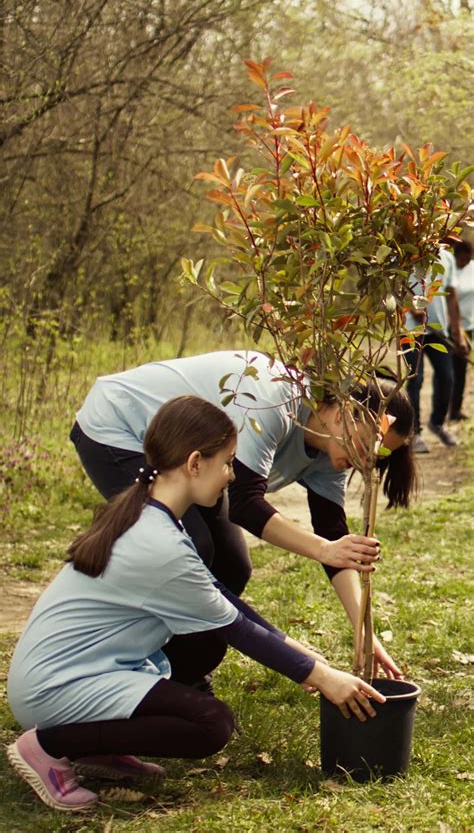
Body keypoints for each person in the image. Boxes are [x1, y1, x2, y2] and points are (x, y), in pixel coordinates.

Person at [7, 396, 386, 813]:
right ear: (193, 463)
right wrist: (324, 677)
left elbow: (222, 600)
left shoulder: (150, 514)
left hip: (68, 673)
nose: (229, 476)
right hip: (57, 687)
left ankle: (97, 748)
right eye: (226, 462)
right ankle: (47, 746)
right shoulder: (159, 542)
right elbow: (236, 629)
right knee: (210, 725)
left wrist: (304, 657)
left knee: (204, 654)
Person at [70, 350, 416, 681]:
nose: (370, 460)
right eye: (371, 444)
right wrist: (323, 549)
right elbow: (246, 505)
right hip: (120, 426)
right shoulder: (275, 401)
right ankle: (117, 662)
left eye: (381, 453)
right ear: (345, 413)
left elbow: (333, 537)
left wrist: (364, 631)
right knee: (193, 548)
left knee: (232, 565)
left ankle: (181, 674)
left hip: (192, 460)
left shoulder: (330, 456)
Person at [403, 244, 468, 453]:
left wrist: (458, 332)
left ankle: (437, 423)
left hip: (438, 329)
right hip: (410, 330)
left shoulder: (447, 257)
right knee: (416, 380)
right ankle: (414, 433)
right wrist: (410, 307)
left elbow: (451, 295)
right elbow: (394, 286)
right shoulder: (406, 251)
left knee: (447, 377)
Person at [449, 240, 473, 421]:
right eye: (461, 259)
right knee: (447, 371)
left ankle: (455, 409)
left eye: (467, 259)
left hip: (468, 326)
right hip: (450, 327)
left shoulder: (472, 269)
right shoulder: (450, 268)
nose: (463, 262)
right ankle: (442, 409)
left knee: (461, 369)